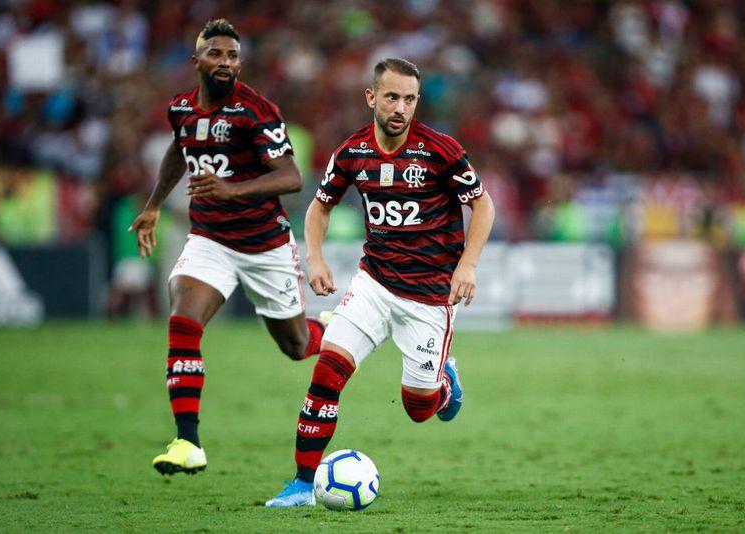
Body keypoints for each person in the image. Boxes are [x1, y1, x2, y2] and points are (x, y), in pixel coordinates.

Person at [265, 58, 495, 507]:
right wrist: (314, 258)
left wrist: (467, 266)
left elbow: (482, 205)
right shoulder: (352, 152)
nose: (400, 108)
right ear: (371, 97)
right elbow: (320, 206)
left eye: (409, 99)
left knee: (419, 409)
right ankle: (301, 484)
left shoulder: (441, 150)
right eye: (391, 97)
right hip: (374, 284)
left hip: (429, 298)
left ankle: (445, 380)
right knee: (327, 373)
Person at [128, 19, 326, 476]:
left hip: (265, 244)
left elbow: (292, 177)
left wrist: (230, 190)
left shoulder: (255, 111)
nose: (225, 62)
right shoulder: (181, 108)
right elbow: (180, 149)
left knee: (296, 346)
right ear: (196, 61)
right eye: (216, 53)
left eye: (233, 56)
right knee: (183, 320)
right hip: (210, 239)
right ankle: (188, 442)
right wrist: (154, 205)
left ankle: (332, 326)